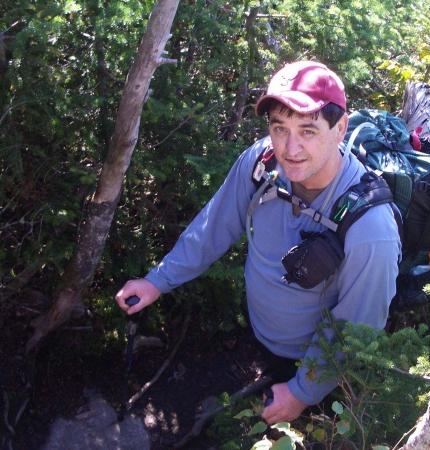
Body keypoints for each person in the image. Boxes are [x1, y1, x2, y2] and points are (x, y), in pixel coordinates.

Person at [115, 60, 401, 424]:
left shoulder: (370, 229)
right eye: (279, 127)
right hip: (260, 337)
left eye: (308, 131)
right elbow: (214, 226)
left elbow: (355, 327)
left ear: (340, 128)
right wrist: (158, 280)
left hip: (314, 373)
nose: (290, 147)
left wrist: (301, 393)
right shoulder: (262, 163)